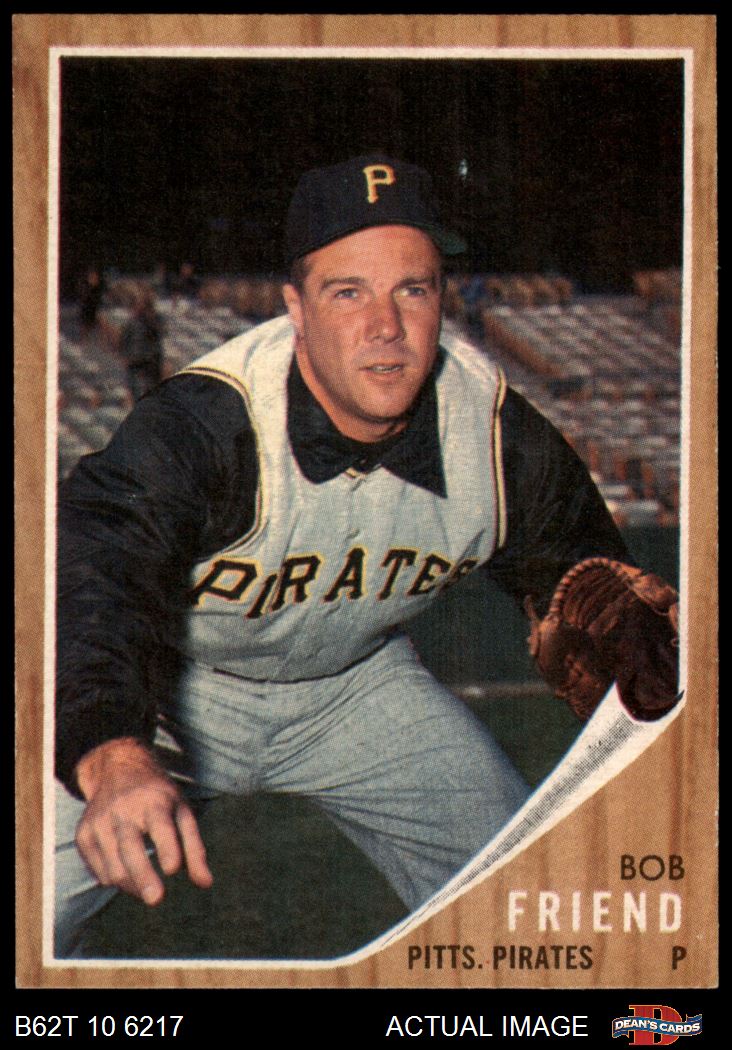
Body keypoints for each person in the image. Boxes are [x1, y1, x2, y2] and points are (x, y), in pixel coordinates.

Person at [54, 154, 679, 959]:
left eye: (412, 290)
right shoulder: (211, 420)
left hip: (358, 691)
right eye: (348, 292)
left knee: (530, 912)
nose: (386, 325)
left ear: (443, 299)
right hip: (173, 689)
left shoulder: (495, 435)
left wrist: (648, 680)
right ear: (295, 308)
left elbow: (593, 584)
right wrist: (109, 750)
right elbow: (95, 573)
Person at [117, 284, 165, 401]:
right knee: (137, 395)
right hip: (134, 365)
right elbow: (123, 341)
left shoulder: (155, 320)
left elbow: (158, 334)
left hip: (150, 365)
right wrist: (125, 356)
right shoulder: (131, 323)